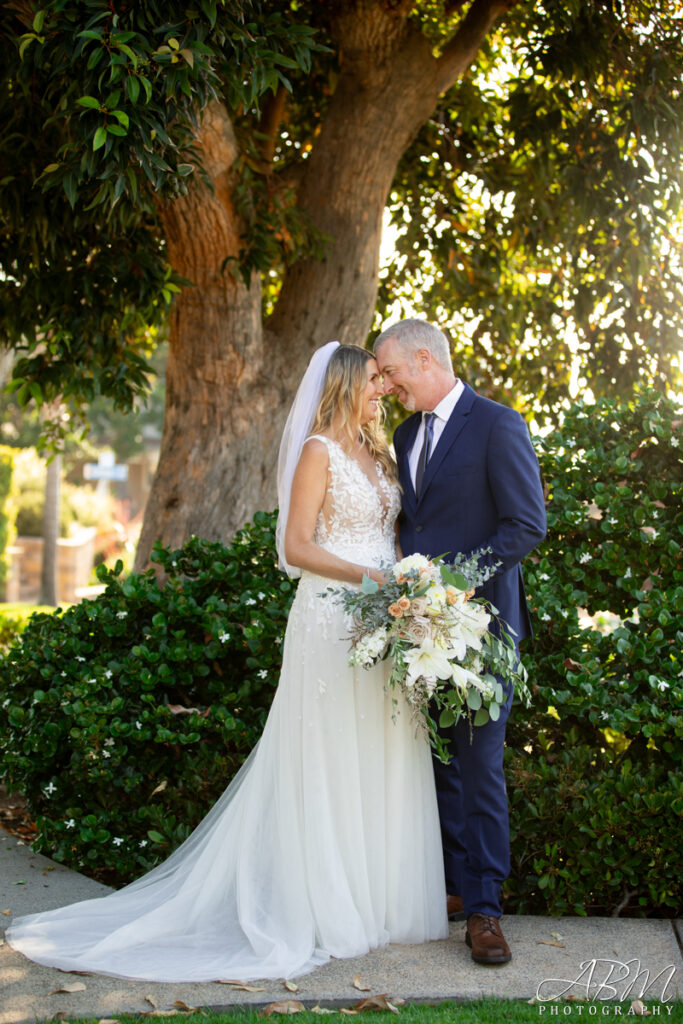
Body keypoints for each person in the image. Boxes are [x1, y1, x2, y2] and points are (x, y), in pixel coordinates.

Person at [6, 342, 448, 982]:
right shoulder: (317, 452)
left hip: (386, 617)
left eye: (386, 377)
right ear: (346, 385)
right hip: (332, 614)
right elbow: (298, 547)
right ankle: (328, 907)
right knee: (328, 756)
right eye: (374, 379)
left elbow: (395, 530)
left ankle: (380, 902)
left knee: (378, 749)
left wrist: (409, 589)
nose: (384, 388)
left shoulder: (381, 454)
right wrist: (372, 577)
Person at [374, 319, 547, 966]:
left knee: (478, 767)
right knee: (439, 761)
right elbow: (412, 525)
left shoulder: (498, 424)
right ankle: (450, 887)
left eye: (391, 373)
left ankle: (484, 909)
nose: (386, 386)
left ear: (424, 359)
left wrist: (451, 587)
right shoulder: (403, 434)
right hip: (418, 628)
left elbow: (526, 525)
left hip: (481, 629)